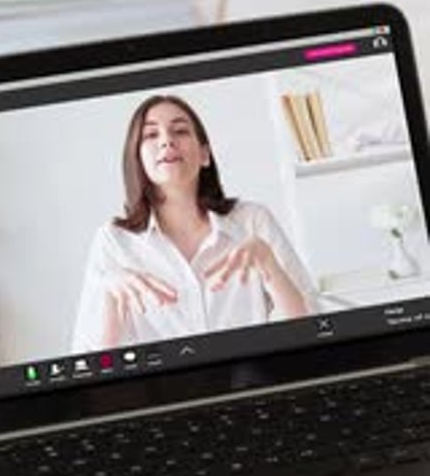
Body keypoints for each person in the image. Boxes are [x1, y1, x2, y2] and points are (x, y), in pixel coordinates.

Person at [72, 94, 317, 351]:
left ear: (204, 155)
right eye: (151, 135)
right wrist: (110, 297)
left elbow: (312, 329)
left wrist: (270, 266)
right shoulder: (113, 241)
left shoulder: (252, 220)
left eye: (180, 131)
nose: (166, 141)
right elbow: (88, 358)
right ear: (138, 160)